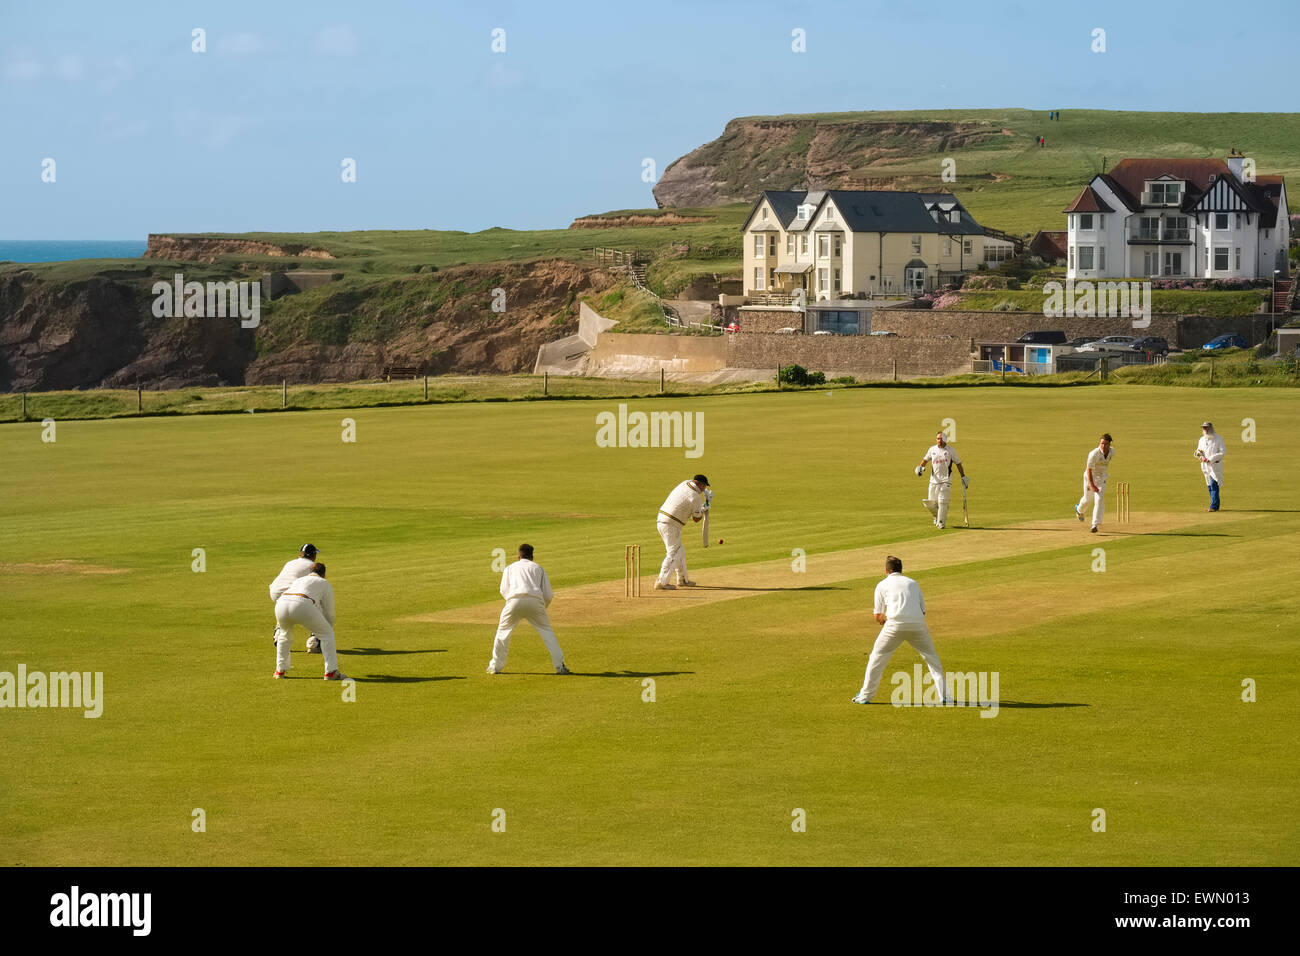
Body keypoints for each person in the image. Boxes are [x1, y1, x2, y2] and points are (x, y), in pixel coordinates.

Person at [853, 556, 949, 705]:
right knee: (932, 659)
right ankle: (945, 697)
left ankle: (865, 696)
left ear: (886, 570)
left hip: (894, 625)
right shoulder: (913, 583)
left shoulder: (882, 584)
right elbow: (923, 611)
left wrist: (886, 623)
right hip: (918, 625)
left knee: (877, 658)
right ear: (901, 570)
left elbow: (878, 616)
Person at [487, 544, 570, 675]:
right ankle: (560, 666)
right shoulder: (539, 568)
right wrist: (542, 608)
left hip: (513, 601)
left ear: (518, 557)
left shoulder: (509, 568)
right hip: (535, 602)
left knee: (502, 633)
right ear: (532, 557)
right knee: (547, 633)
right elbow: (548, 594)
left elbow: (503, 590)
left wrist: (512, 601)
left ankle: (495, 667)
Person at [273, 563, 346, 680]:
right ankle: (331, 672)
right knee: (327, 634)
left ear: (310, 572)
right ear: (324, 574)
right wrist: (328, 627)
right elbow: (329, 612)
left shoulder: (299, 580)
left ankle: (279, 671)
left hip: (281, 604)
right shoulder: (324, 583)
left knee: (284, 635)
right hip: (301, 604)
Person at [655, 474, 709, 590]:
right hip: (671, 524)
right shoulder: (695, 497)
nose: (704, 489)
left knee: (680, 550)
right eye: (704, 486)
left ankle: (682, 579)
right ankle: (661, 582)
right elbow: (696, 519)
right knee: (674, 552)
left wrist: (701, 506)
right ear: (699, 484)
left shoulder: (685, 483)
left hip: (662, 520)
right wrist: (704, 508)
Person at [269, 543, 321, 653]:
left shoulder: (290, 563)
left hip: (275, 592)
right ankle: (314, 641)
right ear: (313, 555)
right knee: (319, 608)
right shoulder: (313, 566)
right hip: (292, 594)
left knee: (284, 610)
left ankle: (279, 634)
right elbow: (317, 585)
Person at [915, 431, 967, 529]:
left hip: (946, 479)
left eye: (941, 439)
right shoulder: (932, 449)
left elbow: (958, 463)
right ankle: (936, 516)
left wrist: (963, 477)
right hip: (934, 480)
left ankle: (941, 523)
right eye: (937, 439)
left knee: (943, 501)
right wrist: (920, 467)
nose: (939, 440)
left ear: (945, 439)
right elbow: (925, 460)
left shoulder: (951, 451)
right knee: (931, 503)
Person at [1074, 433, 1114, 533]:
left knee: (1099, 499)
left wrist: (1099, 483)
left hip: (1101, 479)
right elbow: (1089, 470)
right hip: (1089, 478)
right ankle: (1079, 510)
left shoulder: (1112, 451)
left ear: (1109, 444)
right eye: (1101, 443)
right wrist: (1092, 485)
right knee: (1088, 500)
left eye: (1105, 444)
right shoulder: (1094, 454)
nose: (1103, 446)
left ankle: (1094, 524)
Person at [1195, 421, 1226, 512]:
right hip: (1205, 466)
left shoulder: (1218, 439)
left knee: (1214, 484)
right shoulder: (1201, 440)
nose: (1205, 429)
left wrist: (1211, 459)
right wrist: (1201, 457)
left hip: (1214, 466)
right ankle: (1215, 503)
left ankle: (1214, 506)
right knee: (1209, 485)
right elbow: (1197, 451)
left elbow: (1222, 452)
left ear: (1211, 428)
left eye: (1207, 428)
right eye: (1204, 428)